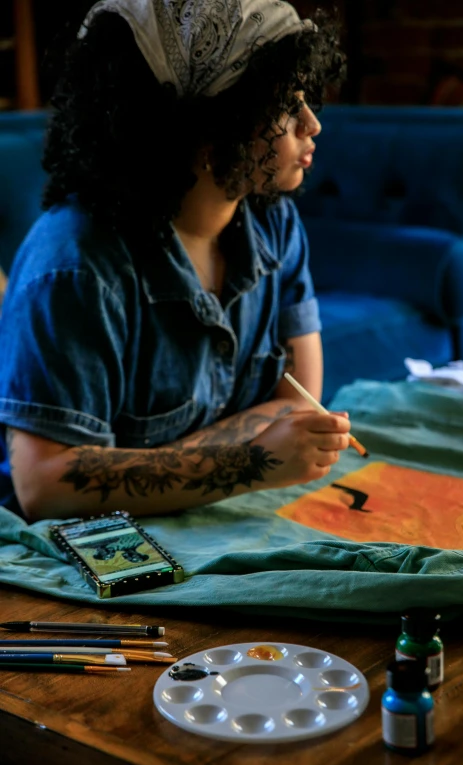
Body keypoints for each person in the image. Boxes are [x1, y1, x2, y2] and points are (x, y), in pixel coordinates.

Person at [0, 0, 350, 522]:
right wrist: (249, 460)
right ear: (210, 132)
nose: (312, 124)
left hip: (215, 519)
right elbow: (44, 485)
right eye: (286, 104)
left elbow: (301, 404)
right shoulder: (75, 268)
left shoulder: (273, 221)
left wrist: (149, 466)